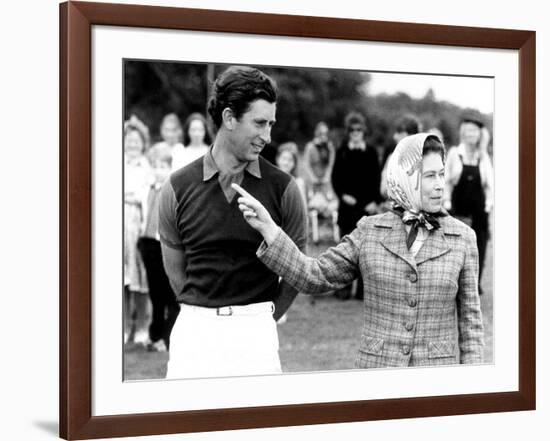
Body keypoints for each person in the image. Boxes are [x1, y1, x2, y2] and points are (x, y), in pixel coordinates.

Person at [234, 133, 484, 368]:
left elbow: (471, 326)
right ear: (406, 176)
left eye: (441, 174)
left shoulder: (463, 238)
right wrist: (270, 230)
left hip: (437, 382)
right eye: (429, 176)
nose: (440, 184)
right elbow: (314, 276)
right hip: (377, 376)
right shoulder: (370, 231)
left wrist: (472, 386)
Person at [158, 65, 307, 378]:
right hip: (193, 335)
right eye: (259, 123)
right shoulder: (175, 188)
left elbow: (297, 270)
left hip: (256, 336)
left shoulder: (285, 189)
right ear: (229, 118)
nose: (268, 136)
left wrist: (262, 318)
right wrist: (203, 311)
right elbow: (176, 273)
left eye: (271, 124)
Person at [332, 111, 382, 299]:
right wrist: (343, 195)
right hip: (347, 207)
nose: (355, 133)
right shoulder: (342, 151)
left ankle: (363, 291)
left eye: (359, 130)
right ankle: (343, 289)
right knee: (345, 249)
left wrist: (374, 201)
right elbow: (335, 178)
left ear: (364, 131)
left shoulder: (370, 151)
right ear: (348, 132)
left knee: (366, 250)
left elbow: (376, 177)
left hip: (366, 208)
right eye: (352, 130)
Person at [444, 114, 494, 295]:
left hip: (479, 211)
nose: (471, 134)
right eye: (468, 130)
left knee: (479, 247)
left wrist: (488, 205)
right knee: (456, 248)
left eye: (475, 131)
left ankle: (473, 285)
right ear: (463, 133)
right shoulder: (454, 153)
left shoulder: (484, 156)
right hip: (458, 208)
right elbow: (446, 181)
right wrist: (447, 202)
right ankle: (453, 285)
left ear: (480, 134)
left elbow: (490, 185)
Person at [137, 150, 181, 352]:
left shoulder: (172, 190)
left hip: (164, 244)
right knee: (154, 294)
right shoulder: (148, 189)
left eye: (163, 166)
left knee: (168, 293)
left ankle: (168, 337)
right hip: (148, 244)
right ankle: (154, 335)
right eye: (155, 166)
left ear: (169, 168)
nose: (158, 170)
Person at [124, 115, 152, 344]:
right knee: (121, 277)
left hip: (139, 224)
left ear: (143, 143)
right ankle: (124, 327)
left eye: (136, 141)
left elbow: (147, 195)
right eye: (128, 140)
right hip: (119, 225)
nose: (132, 144)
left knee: (140, 276)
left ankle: (143, 326)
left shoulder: (147, 167)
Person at [303, 122, 339, 244]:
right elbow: (307, 164)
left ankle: (330, 232)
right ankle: (314, 232)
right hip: (313, 182)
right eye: (321, 133)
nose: (323, 135)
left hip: (326, 182)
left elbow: (331, 163)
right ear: (316, 133)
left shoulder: (329, 147)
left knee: (331, 202)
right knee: (313, 203)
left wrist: (327, 176)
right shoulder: (310, 146)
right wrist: (313, 177)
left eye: (325, 133)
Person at [380, 114, 422, 200]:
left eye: (399, 132)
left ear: (411, 135)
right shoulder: (391, 158)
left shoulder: (423, 159)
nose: (395, 136)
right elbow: (384, 190)